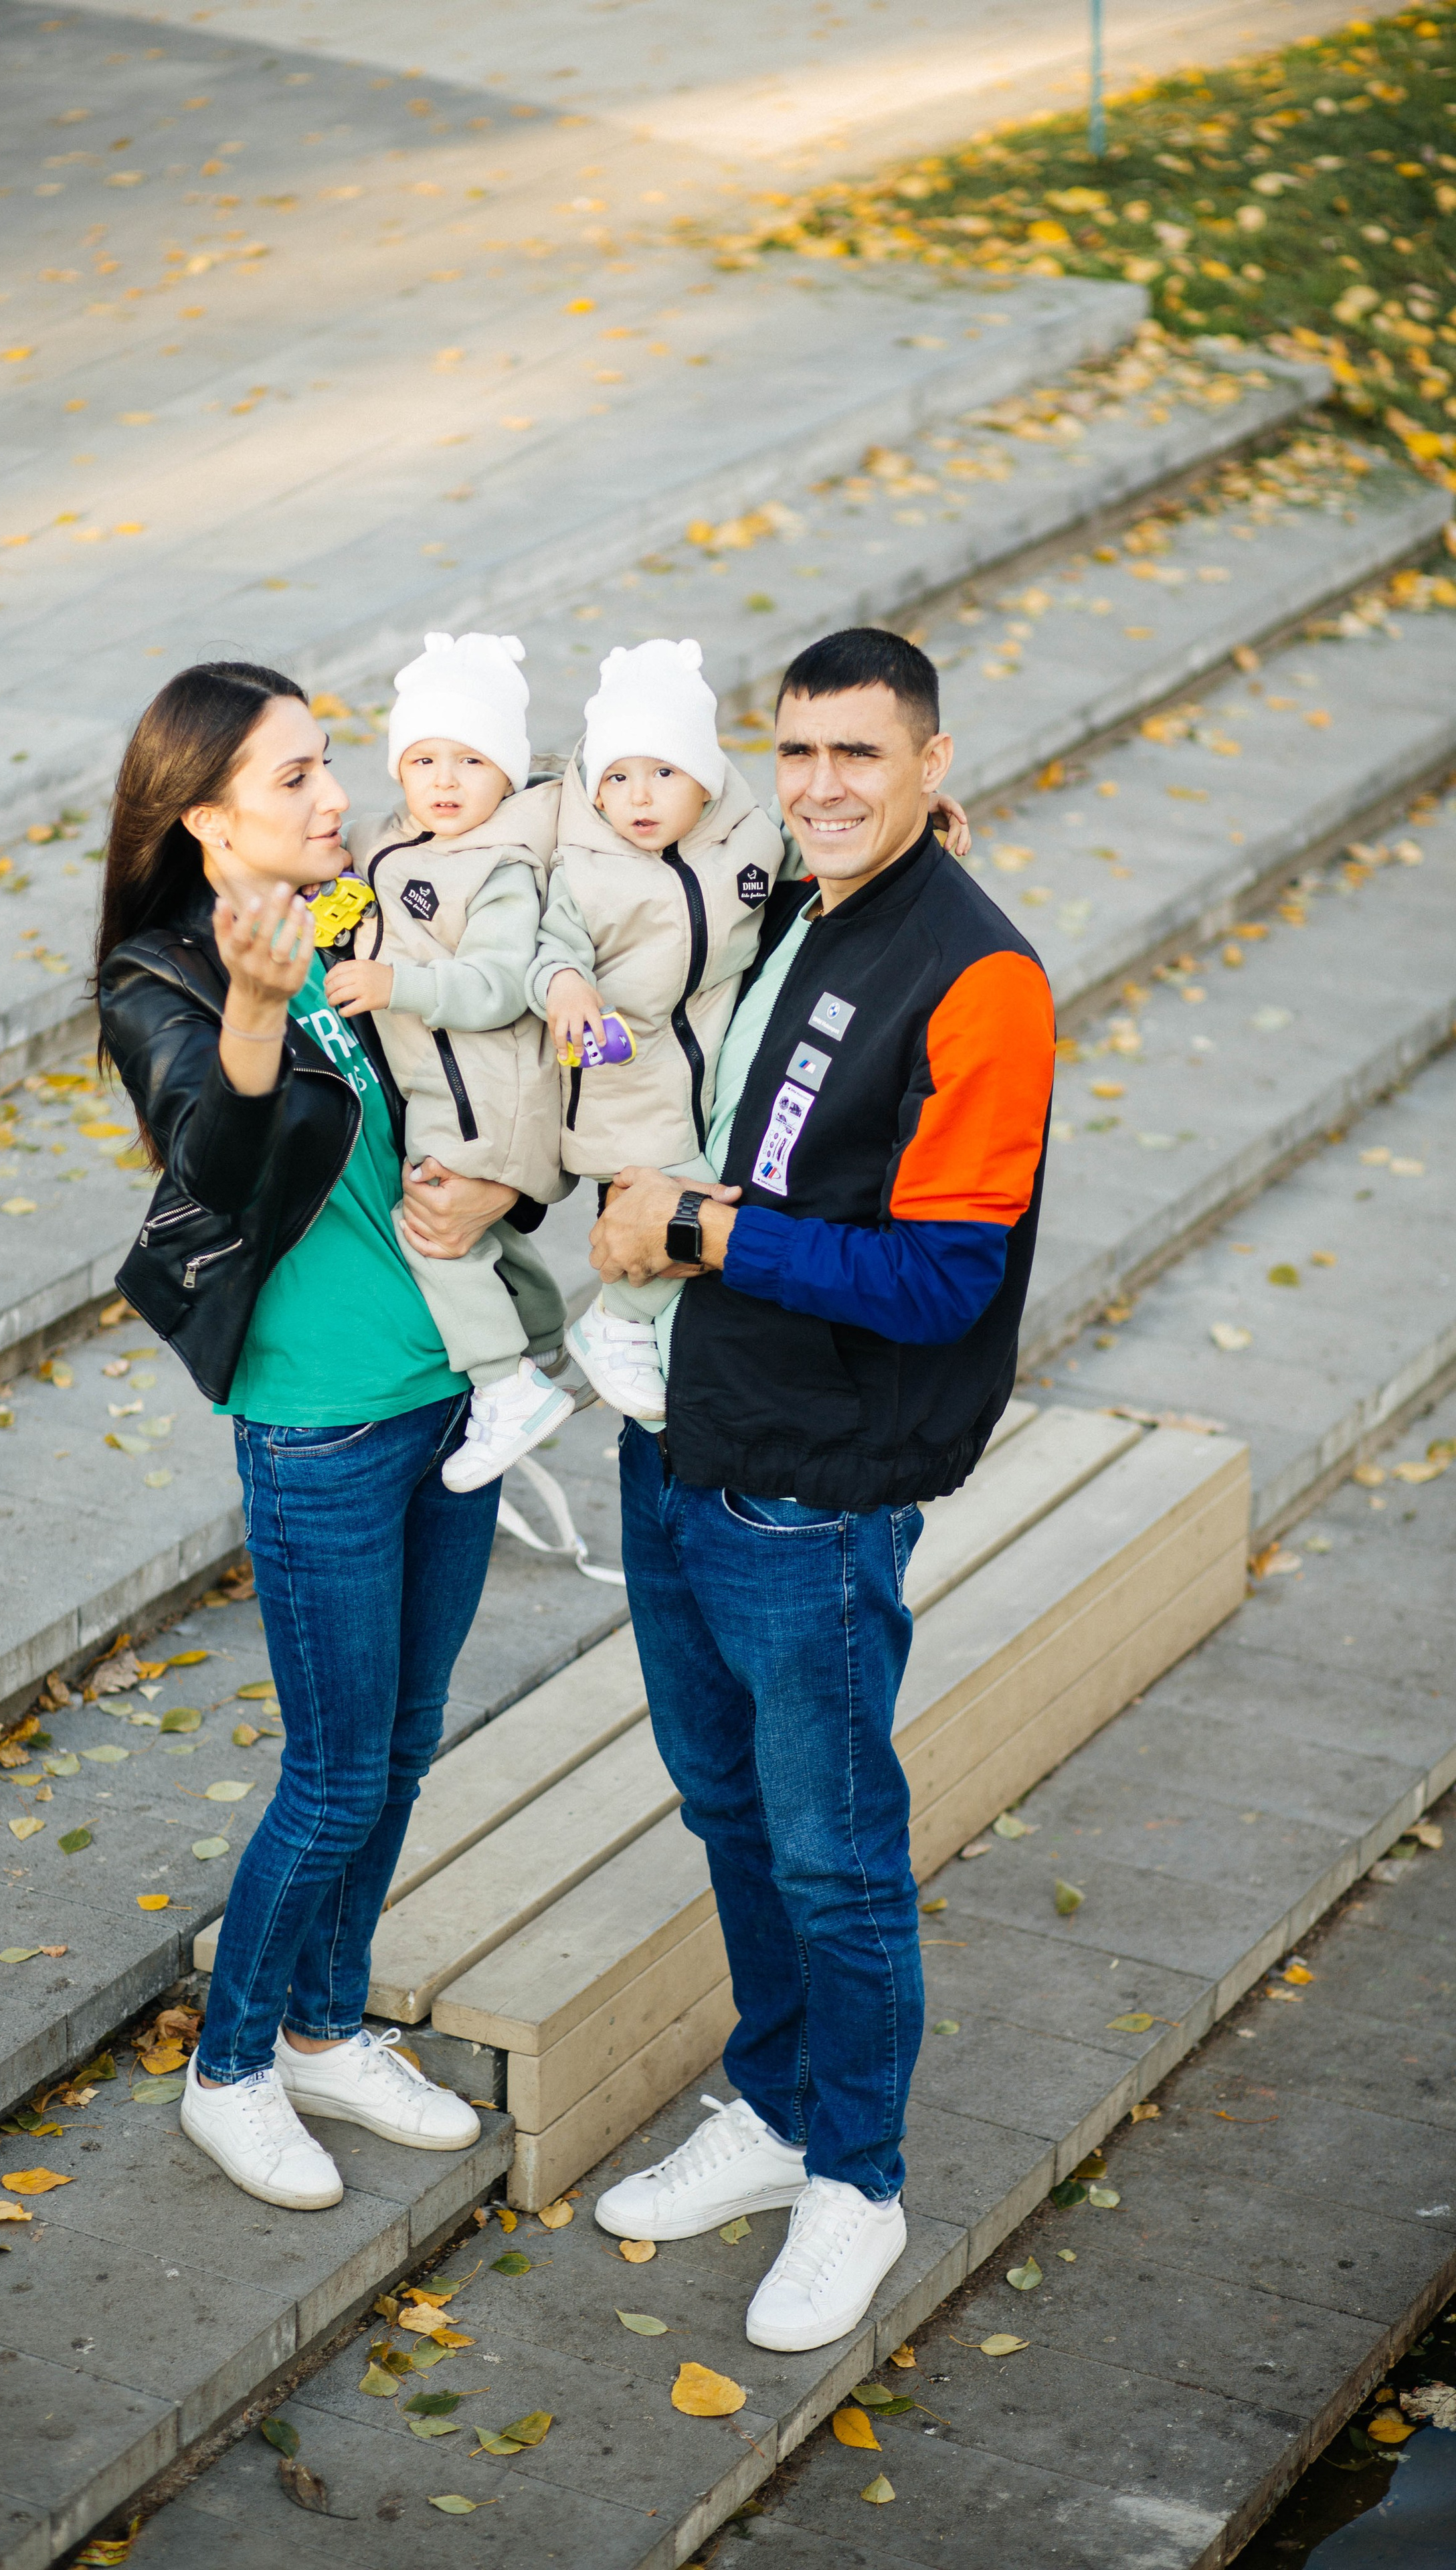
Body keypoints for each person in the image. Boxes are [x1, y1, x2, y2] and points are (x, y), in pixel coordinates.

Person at [585, 627, 1056, 2353]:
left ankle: (856, 2177)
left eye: (859, 754)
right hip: (691, 1429)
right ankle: (776, 2110)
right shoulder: (794, 896)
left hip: (815, 1482)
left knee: (834, 1852)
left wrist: (694, 1226)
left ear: (933, 763)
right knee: (723, 1806)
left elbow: (941, 1279)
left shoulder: (979, 976)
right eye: (794, 752)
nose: (820, 785)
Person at [96, 660, 539, 2211]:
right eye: (292, 778)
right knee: (339, 1765)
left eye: (326, 761)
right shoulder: (159, 980)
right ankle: (231, 2068)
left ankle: (326, 2024)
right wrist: (257, 1009)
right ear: (207, 818)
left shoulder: (375, 913)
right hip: (320, 1426)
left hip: (446, 1393)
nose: (335, 793)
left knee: (404, 1744)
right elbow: (214, 1163)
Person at [324, 630, 575, 1495]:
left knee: (430, 1232)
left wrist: (399, 982)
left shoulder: (499, 864)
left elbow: (503, 984)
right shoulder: (393, 838)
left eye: (470, 761)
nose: (443, 780)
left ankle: (506, 1386)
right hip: (447, 1093)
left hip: (489, 1097)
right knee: (483, 1236)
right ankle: (544, 1336)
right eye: (424, 758)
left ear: (506, 774)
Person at [529, 637, 794, 1430]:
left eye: (663, 773)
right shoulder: (585, 866)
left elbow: (812, 839)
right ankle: (616, 1319)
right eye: (616, 777)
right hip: (625, 1077)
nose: (637, 797)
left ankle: (636, 1328)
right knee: (685, 1200)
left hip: (711, 1059)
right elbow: (549, 949)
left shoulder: (747, 835)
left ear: (705, 780)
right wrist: (567, 982)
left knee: (720, 1182)